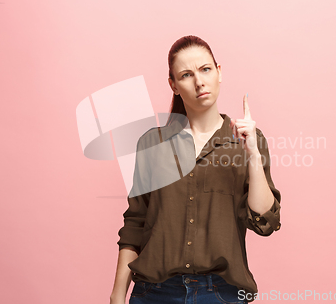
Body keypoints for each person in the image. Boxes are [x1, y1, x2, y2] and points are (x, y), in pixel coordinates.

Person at [110, 35, 281, 304]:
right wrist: (117, 295)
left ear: (219, 72)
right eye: (186, 75)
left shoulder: (248, 140)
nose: (199, 81)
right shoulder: (152, 144)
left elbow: (265, 222)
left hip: (221, 294)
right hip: (155, 293)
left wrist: (253, 157)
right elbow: (135, 223)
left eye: (205, 69)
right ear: (174, 85)